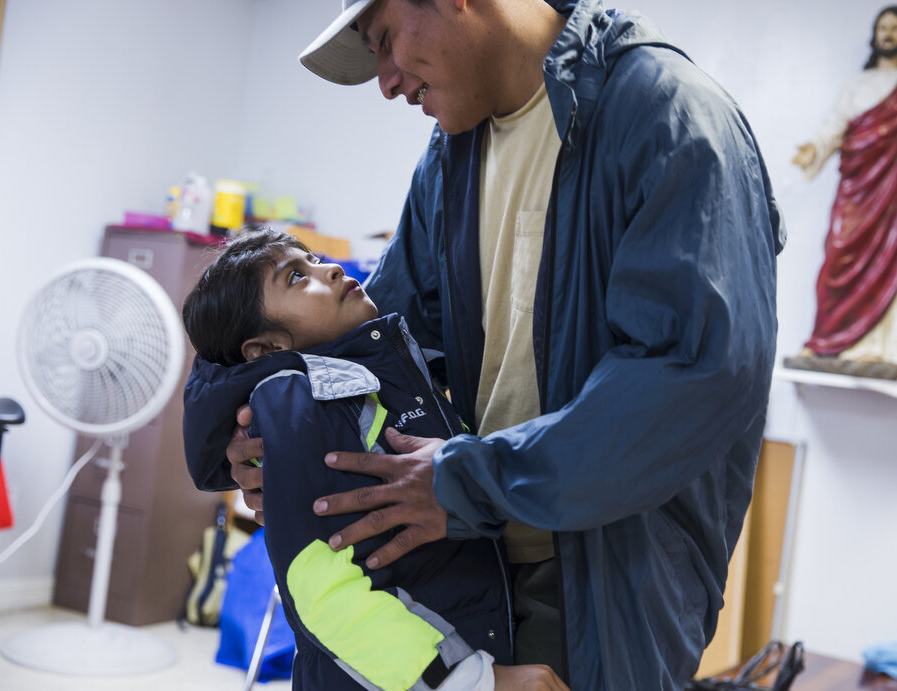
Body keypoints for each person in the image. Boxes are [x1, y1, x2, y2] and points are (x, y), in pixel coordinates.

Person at [208, 1, 785, 688]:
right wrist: (246, 422)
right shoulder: (451, 158)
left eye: (387, 40)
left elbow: (687, 382)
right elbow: (366, 340)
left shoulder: (667, 116)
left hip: (597, 587)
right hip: (461, 560)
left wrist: (462, 483)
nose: (385, 82)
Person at [181, 228, 566, 690]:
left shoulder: (388, 375)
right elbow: (322, 589)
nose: (332, 268)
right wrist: (470, 679)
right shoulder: (298, 402)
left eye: (315, 259)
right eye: (298, 277)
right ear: (267, 351)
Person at [788, 5, 897, 379]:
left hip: (894, 197)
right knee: (837, 257)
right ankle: (826, 342)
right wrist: (813, 150)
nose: (889, 33)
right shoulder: (857, 85)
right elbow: (833, 128)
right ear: (874, 34)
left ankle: (877, 348)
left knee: (888, 260)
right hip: (856, 190)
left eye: (896, 28)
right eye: (883, 27)